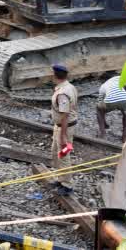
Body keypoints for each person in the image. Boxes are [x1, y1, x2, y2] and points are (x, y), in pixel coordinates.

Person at [49, 64, 78, 196]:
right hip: (61, 126)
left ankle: (67, 185)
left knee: (64, 154)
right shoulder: (68, 86)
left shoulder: (63, 93)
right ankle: (61, 179)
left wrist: (63, 136)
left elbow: (65, 115)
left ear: (55, 75)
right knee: (56, 152)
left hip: (64, 128)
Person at [97, 75, 126, 139]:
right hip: (125, 99)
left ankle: (102, 133)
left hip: (110, 100)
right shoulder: (119, 78)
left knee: (99, 109)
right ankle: (124, 136)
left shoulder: (102, 87)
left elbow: (100, 103)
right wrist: (123, 93)